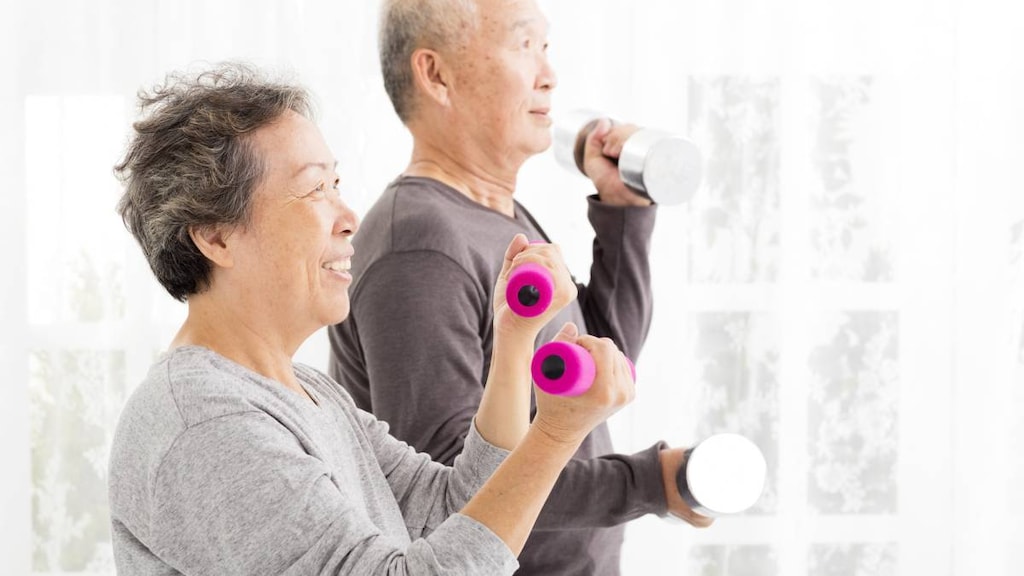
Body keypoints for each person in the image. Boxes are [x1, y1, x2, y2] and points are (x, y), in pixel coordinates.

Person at [107, 62, 637, 575]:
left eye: (336, 184)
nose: (348, 218)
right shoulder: (207, 423)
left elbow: (449, 509)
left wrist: (514, 341)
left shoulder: (307, 393)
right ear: (217, 236)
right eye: (315, 189)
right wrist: (554, 435)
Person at [328, 0, 712, 574]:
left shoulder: (492, 216)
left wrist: (624, 211)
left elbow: (603, 364)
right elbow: (452, 492)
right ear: (437, 75)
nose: (548, 74)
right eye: (522, 44)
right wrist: (650, 482)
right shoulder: (419, 243)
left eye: (546, 47)